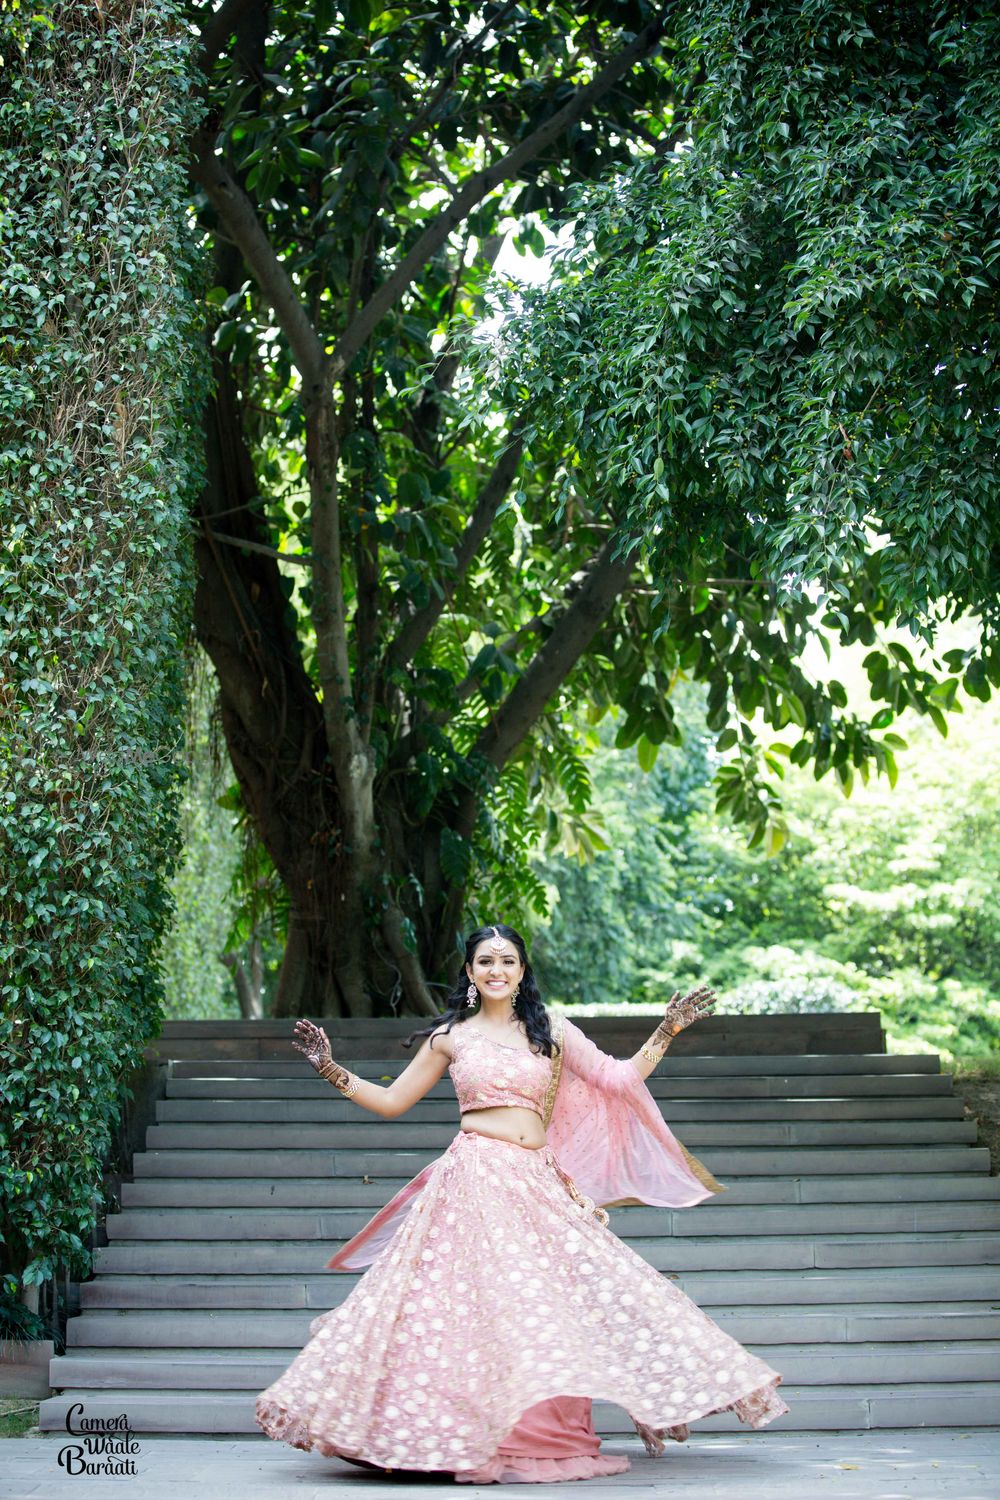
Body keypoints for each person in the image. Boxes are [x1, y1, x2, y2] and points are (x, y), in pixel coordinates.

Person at [255, 922, 790, 1482]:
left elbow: (619, 1077)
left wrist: (668, 1029)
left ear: (522, 971)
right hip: (474, 1178)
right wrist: (329, 1068)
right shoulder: (451, 1037)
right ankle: (438, 1431)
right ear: (468, 972)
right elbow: (392, 1101)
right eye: (485, 961)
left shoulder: (553, 1031)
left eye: (508, 961)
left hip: (535, 1180)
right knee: (464, 1307)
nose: (496, 970)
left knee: (557, 1300)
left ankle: (539, 1433)